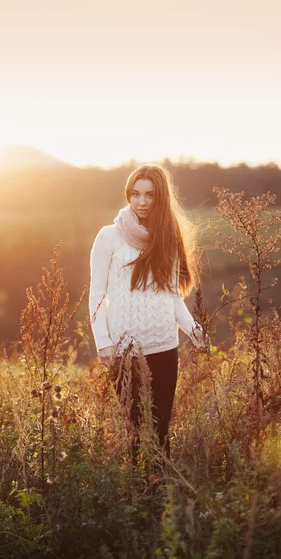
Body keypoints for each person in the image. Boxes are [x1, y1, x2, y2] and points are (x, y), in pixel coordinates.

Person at [89, 164, 208, 465]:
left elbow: (172, 296)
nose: (141, 201)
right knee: (136, 430)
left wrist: (193, 331)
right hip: (124, 352)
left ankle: (160, 499)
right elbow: (96, 295)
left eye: (149, 195)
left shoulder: (167, 237)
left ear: (160, 198)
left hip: (165, 348)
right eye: (135, 194)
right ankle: (137, 498)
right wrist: (103, 343)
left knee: (161, 431)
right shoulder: (109, 236)